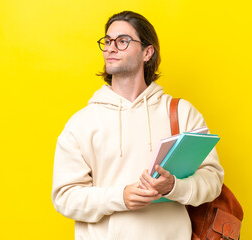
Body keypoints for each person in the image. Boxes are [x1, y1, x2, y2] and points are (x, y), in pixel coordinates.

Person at [51, 10, 224, 240]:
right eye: (108, 41)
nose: (111, 48)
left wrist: (173, 187)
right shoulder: (81, 123)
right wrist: (120, 197)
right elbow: (65, 197)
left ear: (147, 52)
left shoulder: (181, 113)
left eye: (122, 41)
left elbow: (212, 180)